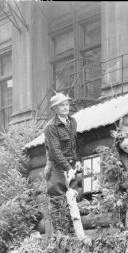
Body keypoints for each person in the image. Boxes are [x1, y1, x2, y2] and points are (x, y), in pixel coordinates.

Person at [43, 92, 83, 235]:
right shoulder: (51, 127)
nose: (65, 107)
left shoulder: (72, 122)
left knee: (72, 198)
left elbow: (74, 144)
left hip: (70, 166)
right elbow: (55, 151)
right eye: (61, 105)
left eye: (66, 104)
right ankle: (61, 236)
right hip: (56, 168)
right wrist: (67, 168)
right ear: (54, 109)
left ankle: (73, 233)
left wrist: (77, 160)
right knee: (58, 200)